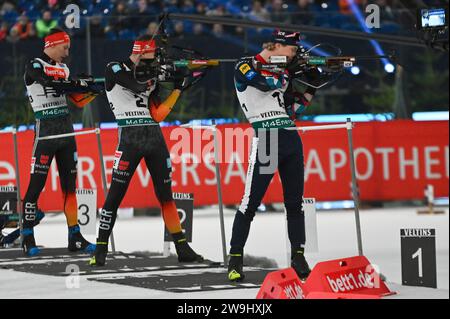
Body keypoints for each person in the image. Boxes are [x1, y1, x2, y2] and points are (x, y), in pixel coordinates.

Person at [89, 35, 204, 266]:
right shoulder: (115, 68)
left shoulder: (149, 75)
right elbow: (135, 84)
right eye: (150, 59)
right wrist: (161, 74)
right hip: (129, 137)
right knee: (115, 196)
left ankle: (182, 248)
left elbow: (159, 115)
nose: (152, 64)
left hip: (154, 136)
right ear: (140, 54)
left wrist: (178, 88)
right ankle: (100, 248)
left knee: (166, 197)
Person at [228, 30, 320, 282]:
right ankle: (235, 259)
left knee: (295, 203)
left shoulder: (282, 72)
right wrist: (285, 74)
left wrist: (313, 84)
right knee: (250, 203)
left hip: (291, 138)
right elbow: (263, 83)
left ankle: (298, 257)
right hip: (267, 139)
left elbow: (293, 109)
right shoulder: (246, 64)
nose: (293, 55)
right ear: (277, 46)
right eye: (291, 50)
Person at [22, 27, 100, 256]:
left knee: (70, 188)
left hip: (66, 132)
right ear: (52, 45)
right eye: (64, 47)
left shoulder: (64, 69)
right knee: (36, 186)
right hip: (46, 133)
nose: (66, 53)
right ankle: (27, 236)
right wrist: (75, 84)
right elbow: (48, 83)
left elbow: (78, 101)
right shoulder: (35, 64)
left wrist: (92, 89)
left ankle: (75, 236)